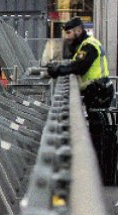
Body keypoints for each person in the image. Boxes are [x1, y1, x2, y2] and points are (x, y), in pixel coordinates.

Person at [49, 16, 113, 160]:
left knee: (98, 131)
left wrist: (58, 70)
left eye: (69, 33)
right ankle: (99, 161)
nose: (67, 37)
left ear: (78, 31)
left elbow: (80, 67)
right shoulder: (82, 45)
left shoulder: (89, 46)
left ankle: (99, 166)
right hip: (97, 91)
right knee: (97, 129)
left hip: (99, 92)